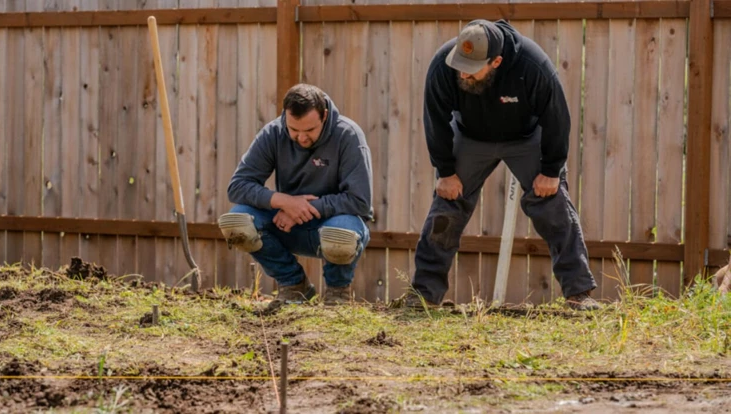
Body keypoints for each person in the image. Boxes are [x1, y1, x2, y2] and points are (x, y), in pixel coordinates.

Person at [408, 19, 601, 311]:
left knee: (553, 205)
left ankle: (579, 294)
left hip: (526, 137)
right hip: (470, 138)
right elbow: (434, 120)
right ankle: (424, 296)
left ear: (496, 61)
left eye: (471, 69)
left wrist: (550, 171)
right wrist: (445, 171)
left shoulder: (532, 65)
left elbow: (557, 119)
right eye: (459, 64)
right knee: (447, 207)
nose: (462, 73)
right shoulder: (443, 65)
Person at [220, 83, 373, 308]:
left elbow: (359, 201)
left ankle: (337, 293)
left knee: (339, 235)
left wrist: (303, 210)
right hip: (287, 226)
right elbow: (238, 186)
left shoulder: (348, 135)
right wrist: (285, 202)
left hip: (338, 225)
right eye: (294, 130)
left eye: (309, 131)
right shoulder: (273, 133)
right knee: (237, 223)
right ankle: (293, 286)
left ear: (324, 116)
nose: (301, 137)